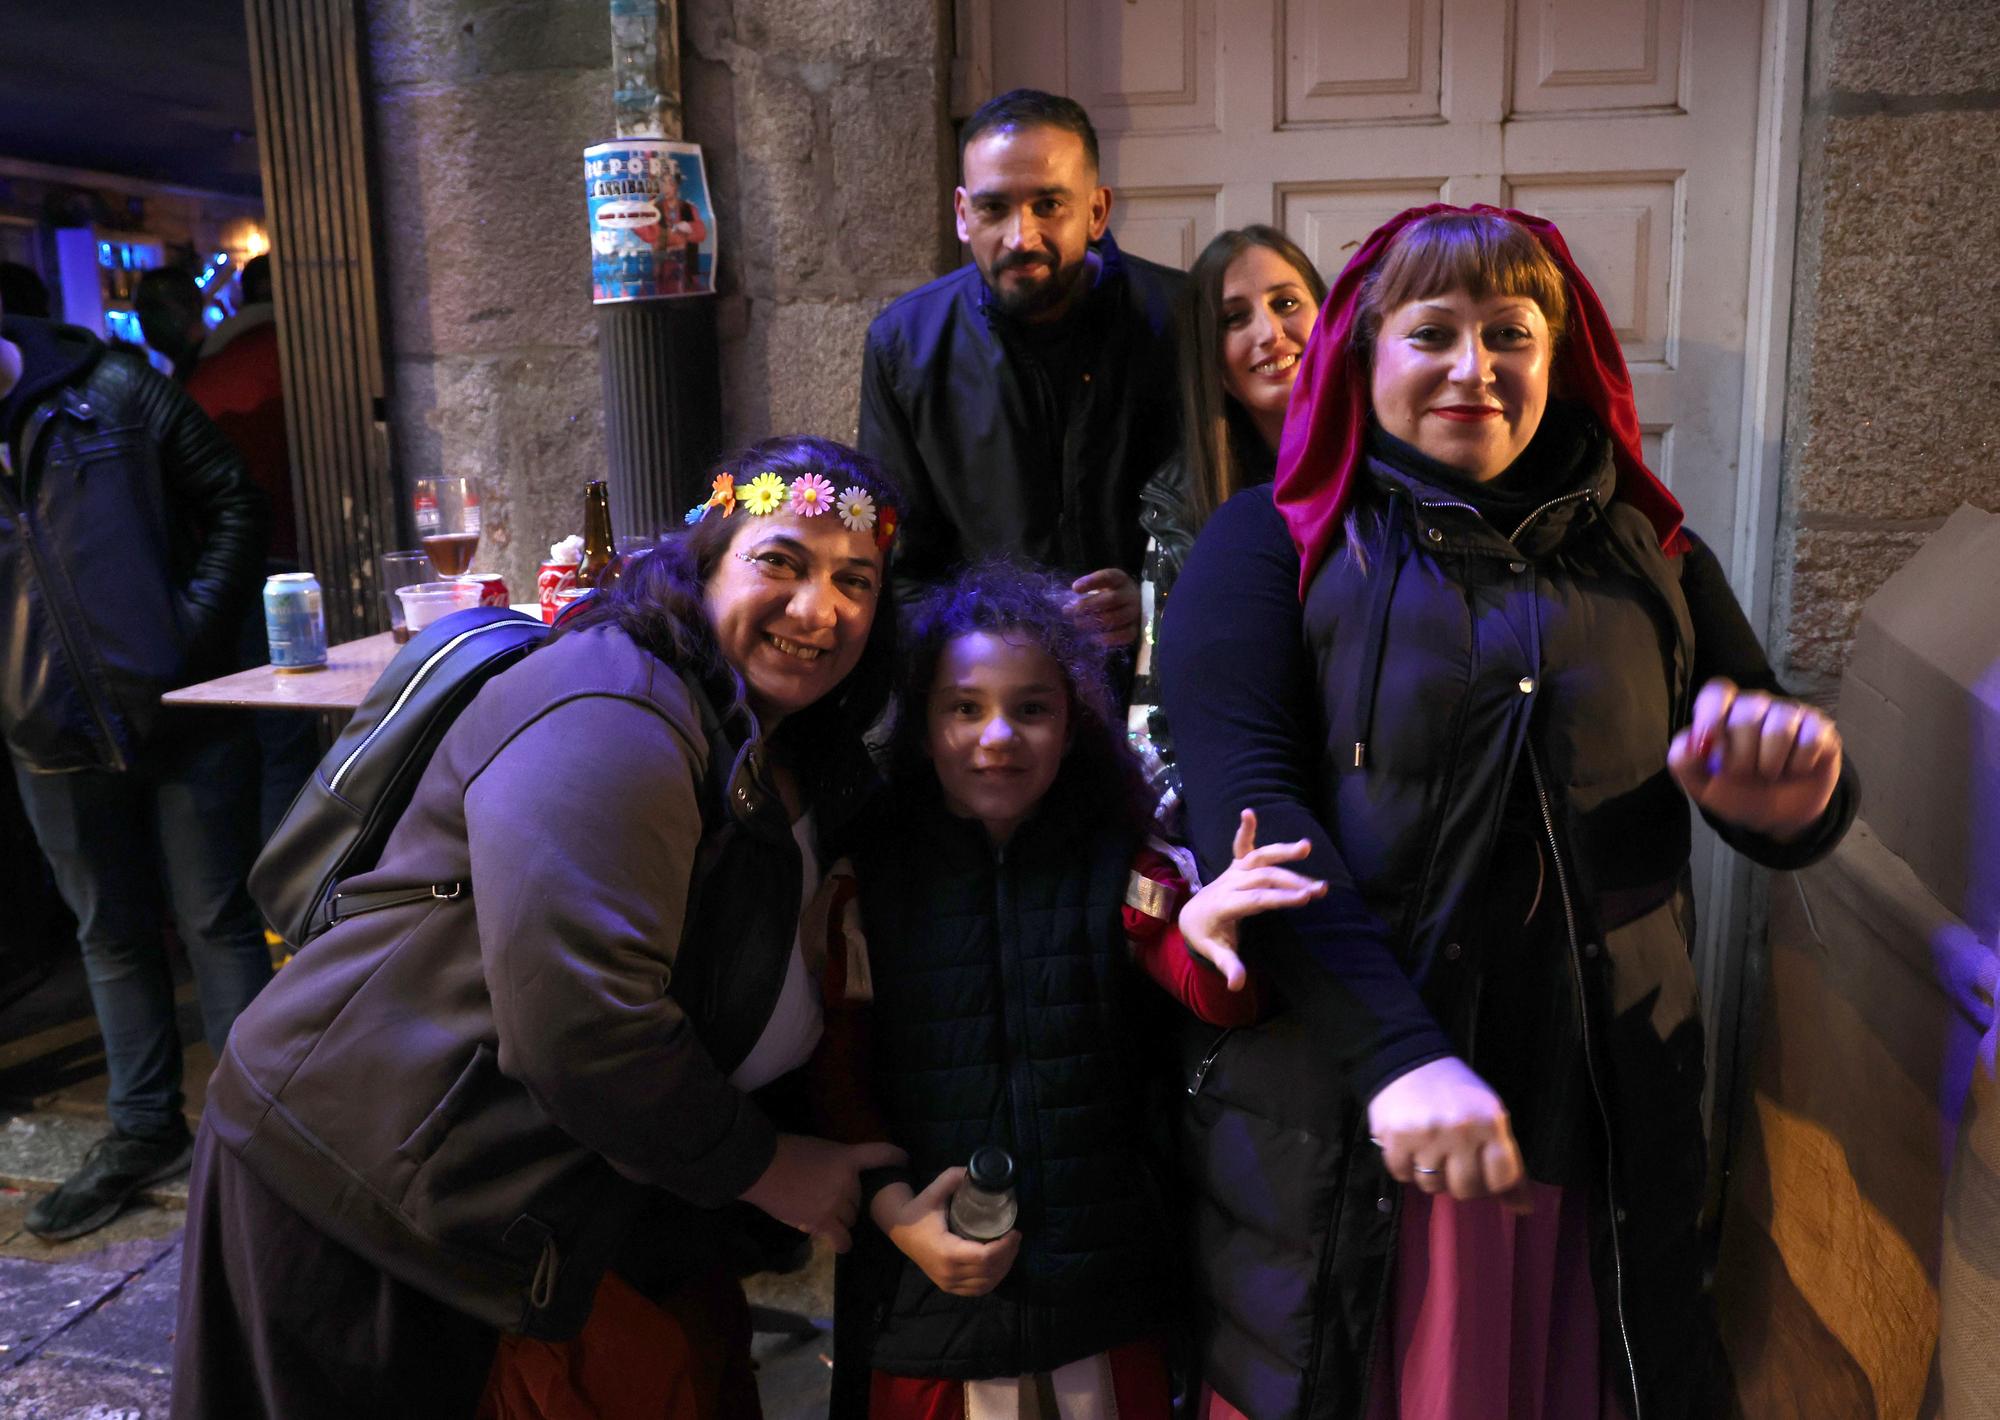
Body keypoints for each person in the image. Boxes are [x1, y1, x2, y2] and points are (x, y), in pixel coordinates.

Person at [1157, 207, 1860, 1419]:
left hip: (1594, 1113)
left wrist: (1802, 801)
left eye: (1507, 334)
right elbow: (1251, 812)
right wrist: (1397, 1057)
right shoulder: (1269, 545)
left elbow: (1767, 761)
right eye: (1429, 332)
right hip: (1363, 1112)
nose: (1471, 368)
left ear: (1557, 357)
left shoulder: (1652, 552)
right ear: (1360, 355)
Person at [171, 437, 908, 1420]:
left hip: (497, 1201)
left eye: (853, 579)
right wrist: (771, 1171)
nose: (819, 607)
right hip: (360, 1193)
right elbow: (582, 1024)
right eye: (780, 560)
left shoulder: (766, 732)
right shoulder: (614, 706)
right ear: (705, 560)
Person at [819, 563, 1321, 1419]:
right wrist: (896, 1217)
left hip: (1103, 1295)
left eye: (1033, 708)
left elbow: (1208, 988)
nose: (999, 736)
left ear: (1073, 724)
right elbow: (837, 1077)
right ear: (923, 724)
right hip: (924, 1304)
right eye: (965, 707)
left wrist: (1223, 938)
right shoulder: (868, 874)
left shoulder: (1123, 858)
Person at [0, 284, 273, 1242]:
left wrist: (184, 641)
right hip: (48, 736)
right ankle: (143, 1129)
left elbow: (236, 498)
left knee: (216, 918)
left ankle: (255, 1145)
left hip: (185, 715)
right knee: (108, 935)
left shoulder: (110, 387)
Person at [858, 88, 1182, 651]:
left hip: (1160, 678)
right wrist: (1000, 623)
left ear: (1097, 211)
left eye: (1049, 205)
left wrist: (1160, 596)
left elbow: (1239, 512)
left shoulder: (1182, 321)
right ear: (963, 215)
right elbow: (896, 567)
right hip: (983, 689)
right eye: (994, 207)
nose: (1020, 237)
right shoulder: (904, 346)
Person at [1129, 225, 1325, 807]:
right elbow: (1149, 721)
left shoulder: (1394, 470)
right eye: (1234, 320)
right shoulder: (1180, 505)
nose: (1270, 332)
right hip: (1242, 824)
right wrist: (1207, 826)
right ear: (1211, 362)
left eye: (1286, 303)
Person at [134, 265, 207, 381]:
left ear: (193, 306)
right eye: (140, 312)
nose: (145, 319)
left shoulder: (222, 368)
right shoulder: (185, 376)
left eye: (155, 308)